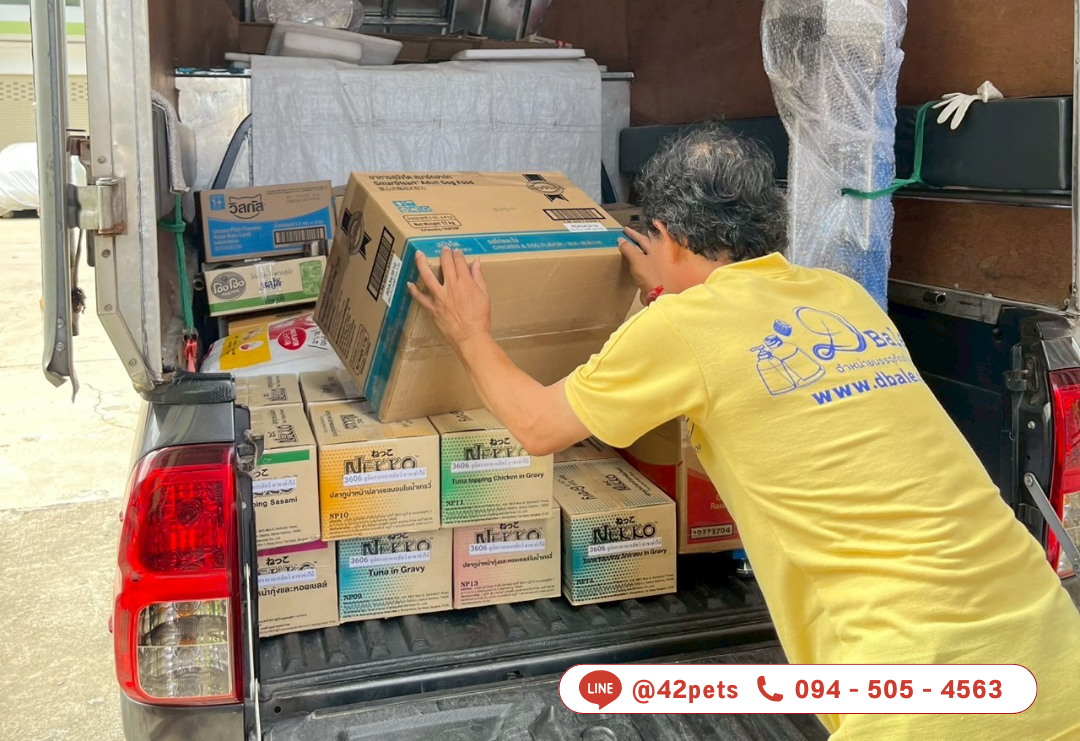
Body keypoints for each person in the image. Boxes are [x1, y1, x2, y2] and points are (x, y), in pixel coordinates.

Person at [407, 124, 1080, 740]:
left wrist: (469, 331)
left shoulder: (681, 328)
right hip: (1051, 651)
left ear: (665, 234)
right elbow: (760, 404)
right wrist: (667, 291)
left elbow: (536, 426)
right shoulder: (840, 297)